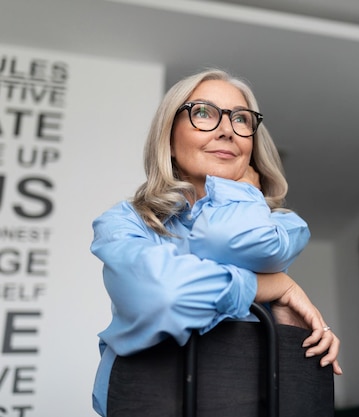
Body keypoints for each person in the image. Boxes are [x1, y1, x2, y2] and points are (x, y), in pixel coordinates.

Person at [90, 68, 341, 416]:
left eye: (240, 119)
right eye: (204, 112)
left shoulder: (284, 226)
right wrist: (269, 286)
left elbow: (225, 239)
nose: (226, 130)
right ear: (169, 138)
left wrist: (239, 191)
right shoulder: (125, 222)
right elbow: (164, 296)